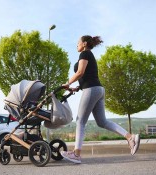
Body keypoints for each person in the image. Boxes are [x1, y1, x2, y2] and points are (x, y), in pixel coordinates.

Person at [60, 35, 140, 164]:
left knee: (80, 121)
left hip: (91, 89)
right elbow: (87, 75)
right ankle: (131, 138)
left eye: (78, 43)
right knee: (102, 122)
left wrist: (67, 83)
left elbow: (80, 72)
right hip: (97, 89)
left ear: (84, 43)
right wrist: (77, 87)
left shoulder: (85, 54)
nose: (76, 45)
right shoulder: (88, 55)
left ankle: (76, 154)